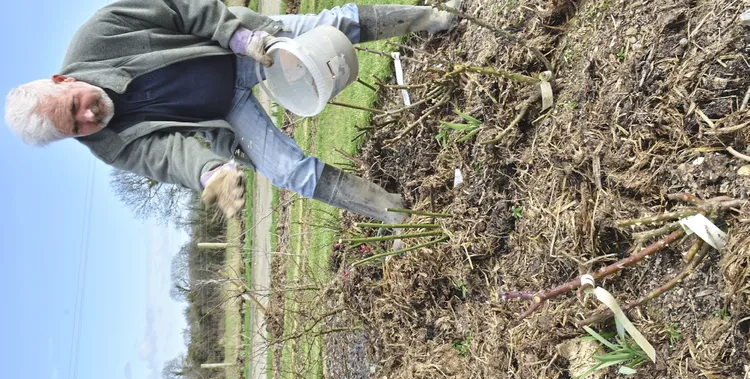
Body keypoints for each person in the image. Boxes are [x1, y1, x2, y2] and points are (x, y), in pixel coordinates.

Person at [4, 0, 461, 223]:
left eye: (76, 107)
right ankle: (393, 211)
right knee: (287, 172)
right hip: (228, 111)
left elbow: (182, 8)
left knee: (332, 25)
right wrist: (211, 175)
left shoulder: (98, 36)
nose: (88, 118)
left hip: (240, 47)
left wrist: (242, 37)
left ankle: (435, 17)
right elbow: (167, 156)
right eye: (75, 128)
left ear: (63, 80)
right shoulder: (106, 144)